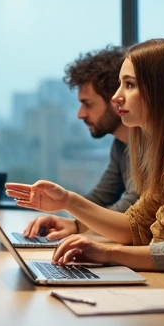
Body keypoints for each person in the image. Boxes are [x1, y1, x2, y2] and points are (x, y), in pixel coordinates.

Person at [6, 39, 164, 272]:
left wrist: (107, 253)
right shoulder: (163, 144)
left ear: (161, 89)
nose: (117, 96)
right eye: (120, 84)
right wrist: (67, 200)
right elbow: (134, 225)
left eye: (129, 84)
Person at [22, 46, 139, 241]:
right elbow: (100, 199)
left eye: (88, 104)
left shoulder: (151, 145)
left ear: (116, 100)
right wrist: (60, 217)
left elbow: (133, 207)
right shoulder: (120, 145)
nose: (80, 114)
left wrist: (77, 225)